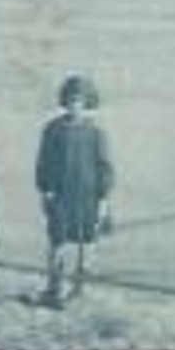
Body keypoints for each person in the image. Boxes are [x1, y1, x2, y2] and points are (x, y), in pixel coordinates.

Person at [34, 73, 114, 308]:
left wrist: (103, 199)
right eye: (70, 100)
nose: (74, 105)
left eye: (79, 101)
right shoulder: (53, 130)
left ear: (87, 103)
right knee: (57, 241)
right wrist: (45, 190)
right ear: (64, 102)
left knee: (86, 243)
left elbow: (104, 167)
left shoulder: (96, 133)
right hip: (60, 195)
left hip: (88, 196)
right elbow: (44, 162)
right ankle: (54, 288)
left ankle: (79, 288)